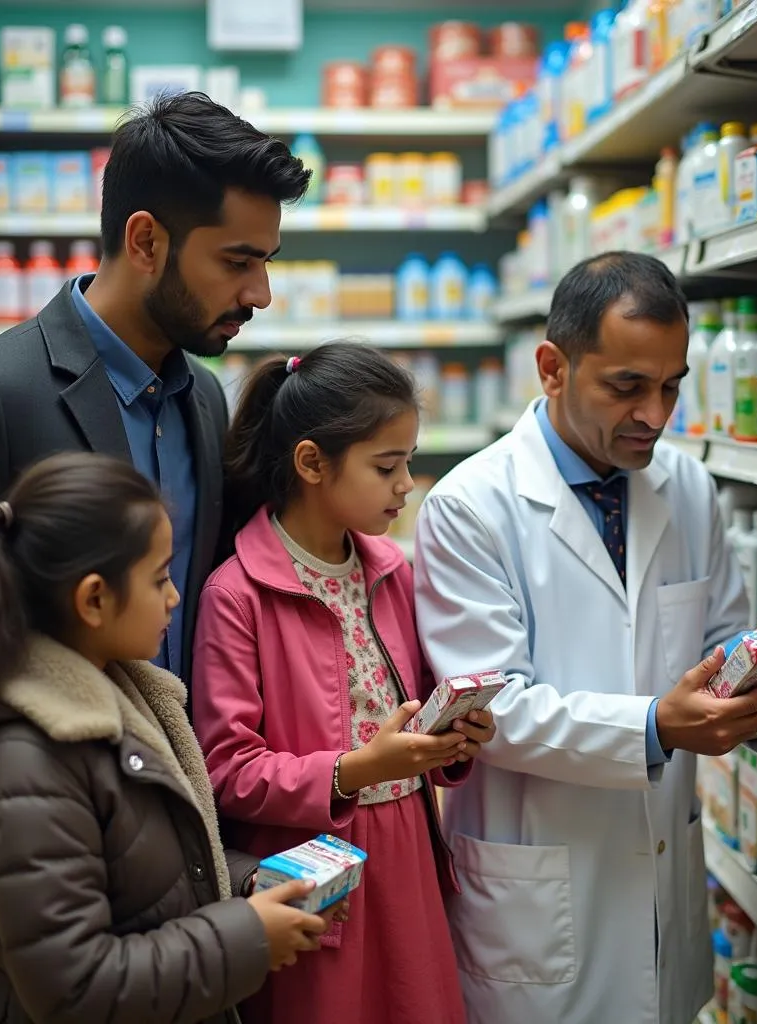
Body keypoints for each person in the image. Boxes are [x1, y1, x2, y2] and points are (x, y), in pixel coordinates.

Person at [0, 92, 310, 1021]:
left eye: (266, 262)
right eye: (237, 261)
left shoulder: (204, 400)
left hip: (170, 842)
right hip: (34, 855)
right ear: (147, 239)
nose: (259, 293)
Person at [413, 252, 757, 1024]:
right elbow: (495, 712)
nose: (655, 416)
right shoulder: (471, 505)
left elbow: (721, 636)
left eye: (671, 386)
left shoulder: (688, 487)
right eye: (626, 387)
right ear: (552, 368)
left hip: (663, 888)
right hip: (539, 909)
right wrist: (655, 725)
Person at [0, 452, 332, 1024]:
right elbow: (73, 988)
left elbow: (141, 859)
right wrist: (247, 936)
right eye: (158, 578)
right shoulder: (24, 762)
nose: (175, 596)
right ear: (94, 599)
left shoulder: (125, 696)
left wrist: (252, 880)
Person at [191, 343, 494, 1024]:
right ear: (310, 463)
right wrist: (357, 770)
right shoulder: (236, 594)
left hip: (409, 856)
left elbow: (411, 710)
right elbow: (225, 770)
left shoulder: (390, 571)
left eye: (409, 462)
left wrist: (452, 739)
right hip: (312, 871)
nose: (406, 484)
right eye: (387, 466)